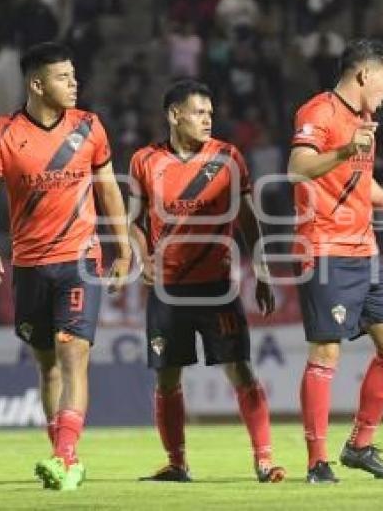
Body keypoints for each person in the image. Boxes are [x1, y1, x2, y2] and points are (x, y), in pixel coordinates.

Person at [0, 42, 130, 490]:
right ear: (37, 84)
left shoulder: (90, 127)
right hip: (29, 265)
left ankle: (65, 456)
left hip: (80, 259)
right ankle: (62, 454)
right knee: (48, 367)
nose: (74, 83)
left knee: (74, 352)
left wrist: (121, 248)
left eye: (74, 75)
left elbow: (109, 190)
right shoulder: (2, 133)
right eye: (63, 78)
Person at [287, 39, 383, 483]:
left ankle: (360, 446)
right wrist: (347, 150)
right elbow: (298, 166)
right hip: (325, 248)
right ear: (363, 75)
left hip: (364, 249)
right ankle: (317, 462)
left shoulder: (364, 120)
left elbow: (358, 179)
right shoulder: (319, 112)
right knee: (326, 351)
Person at [128, 79, 285, 484]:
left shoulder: (228, 157)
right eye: (199, 113)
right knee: (167, 376)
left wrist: (263, 272)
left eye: (210, 114)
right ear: (174, 115)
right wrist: (140, 253)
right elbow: (133, 222)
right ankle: (177, 463)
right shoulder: (145, 160)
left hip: (216, 287)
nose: (207, 120)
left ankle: (264, 461)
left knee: (241, 371)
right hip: (167, 289)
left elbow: (249, 220)